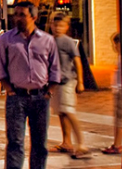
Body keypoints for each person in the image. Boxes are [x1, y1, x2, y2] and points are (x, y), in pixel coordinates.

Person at [0, 1, 61, 169]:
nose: (17, 18)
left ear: (34, 17)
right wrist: (8, 89)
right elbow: (0, 66)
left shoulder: (47, 40)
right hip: (16, 97)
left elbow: (55, 68)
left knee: (40, 143)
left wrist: (50, 91)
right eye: (16, 14)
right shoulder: (6, 39)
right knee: (15, 142)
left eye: (22, 15)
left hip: (40, 97)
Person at [49, 12, 88, 158]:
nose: (57, 28)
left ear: (66, 27)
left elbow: (77, 61)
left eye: (61, 26)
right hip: (56, 82)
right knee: (61, 112)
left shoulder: (68, 41)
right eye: (55, 25)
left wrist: (81, 82)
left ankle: (81, 144)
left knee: (69, 111)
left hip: (67, 81)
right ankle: (67, 142)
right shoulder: (51, 40)